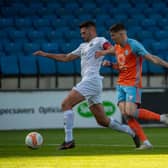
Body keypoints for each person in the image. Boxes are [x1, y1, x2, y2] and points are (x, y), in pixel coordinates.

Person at [33, 21, 140, 150]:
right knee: (103, 121)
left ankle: (69, 141)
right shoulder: (82, 46)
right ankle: (133, 132)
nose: (82, 35)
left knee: (65, 104)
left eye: (84, 33)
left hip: (91, 80)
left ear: (91, 31)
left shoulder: (100, 41)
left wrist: (104, 52)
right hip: (92, 82)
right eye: (81, 33)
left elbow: (113, 49)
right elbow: (66, 57)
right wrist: (46, 54)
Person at [95, 23, 168, 150]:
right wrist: (109, 63)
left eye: (114, 36)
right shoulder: (117, 47)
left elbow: (152, 58)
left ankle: (162, 117)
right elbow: (122, 64)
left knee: (131, 111)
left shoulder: (134, 45)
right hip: (121, 84)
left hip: (132, 83)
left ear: (122, 34)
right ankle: (146, 143)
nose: (112, 38)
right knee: (126, 114)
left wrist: (166, 65)